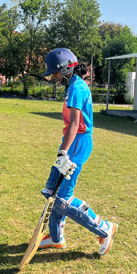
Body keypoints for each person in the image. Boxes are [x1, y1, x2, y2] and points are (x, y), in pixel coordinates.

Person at [38, 48, 119, 256]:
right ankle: (56, 238)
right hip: (70, 142)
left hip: (78, 142)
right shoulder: (73, 85)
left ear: (66, 68)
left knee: (63, 198)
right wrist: (63, 150)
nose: (54, 77)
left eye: (55, 73)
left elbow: (75, 123)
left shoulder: (77, 88)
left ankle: (105, 228)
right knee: (52, 191)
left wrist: (63, 153)